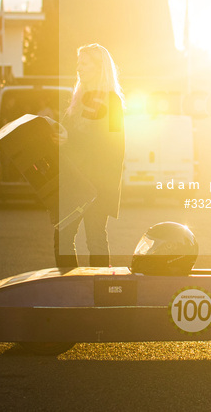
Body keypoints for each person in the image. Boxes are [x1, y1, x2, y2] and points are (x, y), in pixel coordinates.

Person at [55, 44, 125, 268]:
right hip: (74, 183)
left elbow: (115, 146)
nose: (78, 68)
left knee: (94, 240)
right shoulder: (77, 101)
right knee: (63, 237)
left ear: (99, 67)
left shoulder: (112, 102)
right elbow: (71, 140)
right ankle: (70, 288)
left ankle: (102, 292)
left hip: (97, 185)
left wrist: (70, 140)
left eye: (84, 63)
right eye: (78, 62)